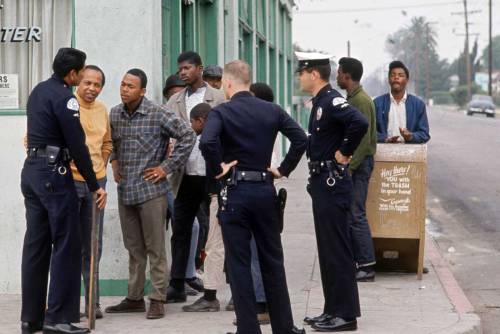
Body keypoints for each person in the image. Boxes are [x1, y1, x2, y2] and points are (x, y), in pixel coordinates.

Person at [200, 60, 307, 334]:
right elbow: (301, 139)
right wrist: (282, 169)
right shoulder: (272, 110)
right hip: (264, 190)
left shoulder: (221, 113)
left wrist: (218, 170)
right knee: (273, 260)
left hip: (235, 192)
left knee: (239, 263)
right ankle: (284, 327)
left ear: (228, 83)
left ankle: (248, 329)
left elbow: (208, 142)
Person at [21, 47, 107, 334]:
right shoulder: (65, 98)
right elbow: (77, 146)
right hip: (55, 175)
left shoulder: (39, 90)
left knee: (36, 245)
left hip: (32, 171)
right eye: (82, 72)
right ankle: (58, 318)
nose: (83, 77)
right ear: (72, 74)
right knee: (67, 245)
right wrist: (94, 185)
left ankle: (30, 318)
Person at [105, 68, 195, 319]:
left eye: (130, 86)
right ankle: (134, 297)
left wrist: (165, 168)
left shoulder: (158, 113)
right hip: (126, 192)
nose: (124, 89)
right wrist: (113, 162)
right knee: (133, 247)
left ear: (142, 91)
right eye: (122, 85)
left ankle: (157, 298)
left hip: (152, 192)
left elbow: (187, 136)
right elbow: (110, 143)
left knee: (155, 247)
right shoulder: (115, 114)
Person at [296, 52, 368, 332]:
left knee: (337, 250)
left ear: (314, 74)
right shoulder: (320, 102)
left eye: (302, 73)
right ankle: (332, 310)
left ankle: (346, 315)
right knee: (327, 251)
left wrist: (344, 152)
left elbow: (359, 123)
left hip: (332, 183)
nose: (299, 78)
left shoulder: (332, 99)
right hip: (322, 183)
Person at [166, 51, 225, 302]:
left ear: (200, 69)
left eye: (187, 67)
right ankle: (178, 283)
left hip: (212, 174)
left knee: (220, 231)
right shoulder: (174, 102)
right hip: (185, 175)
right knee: (181, 229)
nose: (182, 72)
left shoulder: (219, 98)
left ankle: (225, 285)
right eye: (180, 68)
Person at [72, 65, 112, 320]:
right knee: (65, 244)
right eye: (87, 83)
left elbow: (107, 142)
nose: (91, 89)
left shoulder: (101, 110)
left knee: (93, 245)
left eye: (97, 85)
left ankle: (92, 304)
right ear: (78, 82)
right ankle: (61, 302)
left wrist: (102, 166)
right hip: (70, 182)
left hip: (97, 185)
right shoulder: (67, 105)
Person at [336, 57, 377, 282]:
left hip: (359, 166)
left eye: (339, 72)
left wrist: (349, 167)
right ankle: (358, 261)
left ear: (347, 76)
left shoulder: (360, 100)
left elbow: (362, 140)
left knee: (356, 214)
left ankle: (367, 265)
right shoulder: (353, 98)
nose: (336, 76)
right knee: (351, 213)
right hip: (357, 164)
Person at [162, 74, 200, 297]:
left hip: (185, 175)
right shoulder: (163, 112)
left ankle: (186, 275)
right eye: (174, 91)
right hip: (164, 179)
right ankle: (179, 279)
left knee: (190, 226)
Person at [374, 60, 430, 144]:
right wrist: (385, 139)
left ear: (407, 80)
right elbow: (370, 132)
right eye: (393, 75)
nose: (396, 77)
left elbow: (424, 134)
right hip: (383, 152)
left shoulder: (418, 104)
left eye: (400, 75)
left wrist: (411, 136)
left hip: (410, 153)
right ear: (389, 79)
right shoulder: (377, 103)